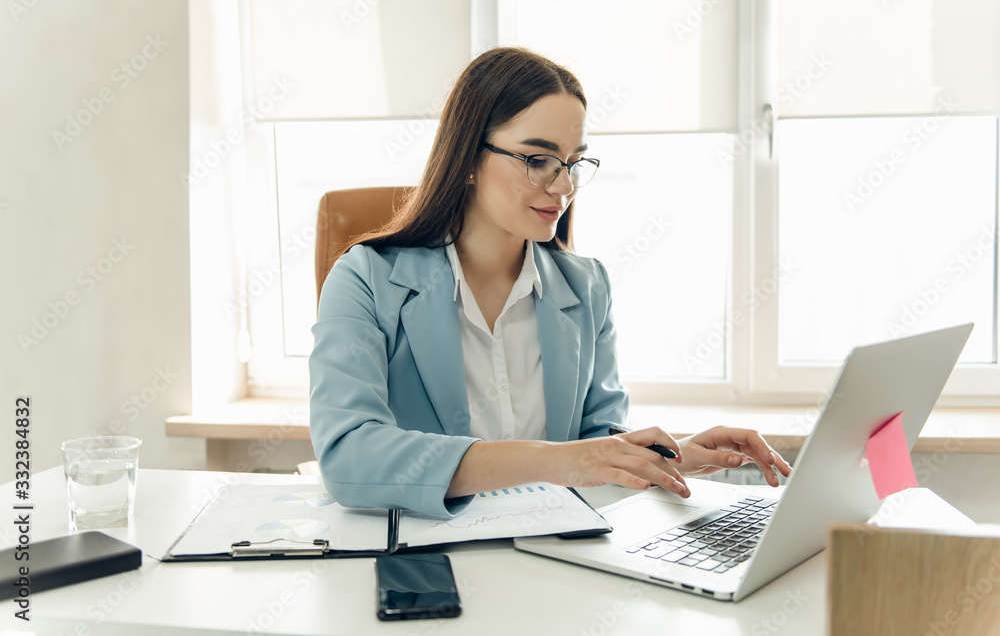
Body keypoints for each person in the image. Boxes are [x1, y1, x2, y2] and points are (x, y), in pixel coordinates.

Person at [310, 47, 791, 518]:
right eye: (537, 159)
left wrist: (674, 456)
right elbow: (349, 456)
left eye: (573, 161)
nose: (563, 186)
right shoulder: (366, 278)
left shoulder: (586, 287)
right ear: (469, 159)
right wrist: (553, 460)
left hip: (549, 556)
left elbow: (595, 444)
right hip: (426, 565)